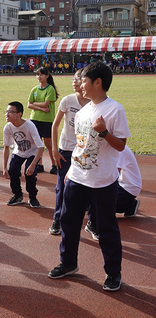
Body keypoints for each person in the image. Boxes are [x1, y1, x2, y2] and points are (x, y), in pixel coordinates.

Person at [48, 62, 130, 292]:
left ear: (98, 82)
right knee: (68, 221)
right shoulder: (83, 110)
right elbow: (79, 145)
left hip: (102, 181)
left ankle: (113, 273)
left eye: (83, 80)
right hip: (77, 176)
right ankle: (68, 263)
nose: (79, 84)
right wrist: (70, 173)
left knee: (106, 227)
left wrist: (104, 132)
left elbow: (121, 146)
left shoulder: (115, 109)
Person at [49, 70, 90, 235]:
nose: (74, 81)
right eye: (73, 78)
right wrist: (54, 150)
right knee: (62, 186)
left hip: (84, 151)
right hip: (65, 149)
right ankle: (57, 219)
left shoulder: (93, 102)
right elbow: (55, 125)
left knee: (87, 186)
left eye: (79, 78)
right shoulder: (68, 100)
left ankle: (91, 221)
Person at [2, 101, 44, 208]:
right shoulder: (8, 127)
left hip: (33, 152)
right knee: (13, 170)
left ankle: (32, 197)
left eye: (10, 112)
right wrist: (4, 167)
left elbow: (40, 147)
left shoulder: (29, 125)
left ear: (19, 114)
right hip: (19, 151)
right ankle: (18, 196)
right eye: (6, 111)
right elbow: (6, 147)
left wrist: (34, 164)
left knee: (29, 172)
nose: (7, 114)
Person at [27, 67, 58, 174]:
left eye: (41, 75)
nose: (39, 77)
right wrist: (40, 108)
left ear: (47, 76)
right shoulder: (34, 89)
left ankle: (54, 164)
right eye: (37, 74)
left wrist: (34, 104)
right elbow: (28, 105)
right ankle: (39, 164)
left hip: (47, 120)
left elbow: (45, 103)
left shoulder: (50, 89)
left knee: (49, 144)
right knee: (37, 143)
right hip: (35, 119)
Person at [114, 145, 141, 217]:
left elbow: (114, 175)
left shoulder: (119, 149)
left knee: (98, 206)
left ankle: (129, 205)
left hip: (127, 188)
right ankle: (129, 205)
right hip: (121, 184)